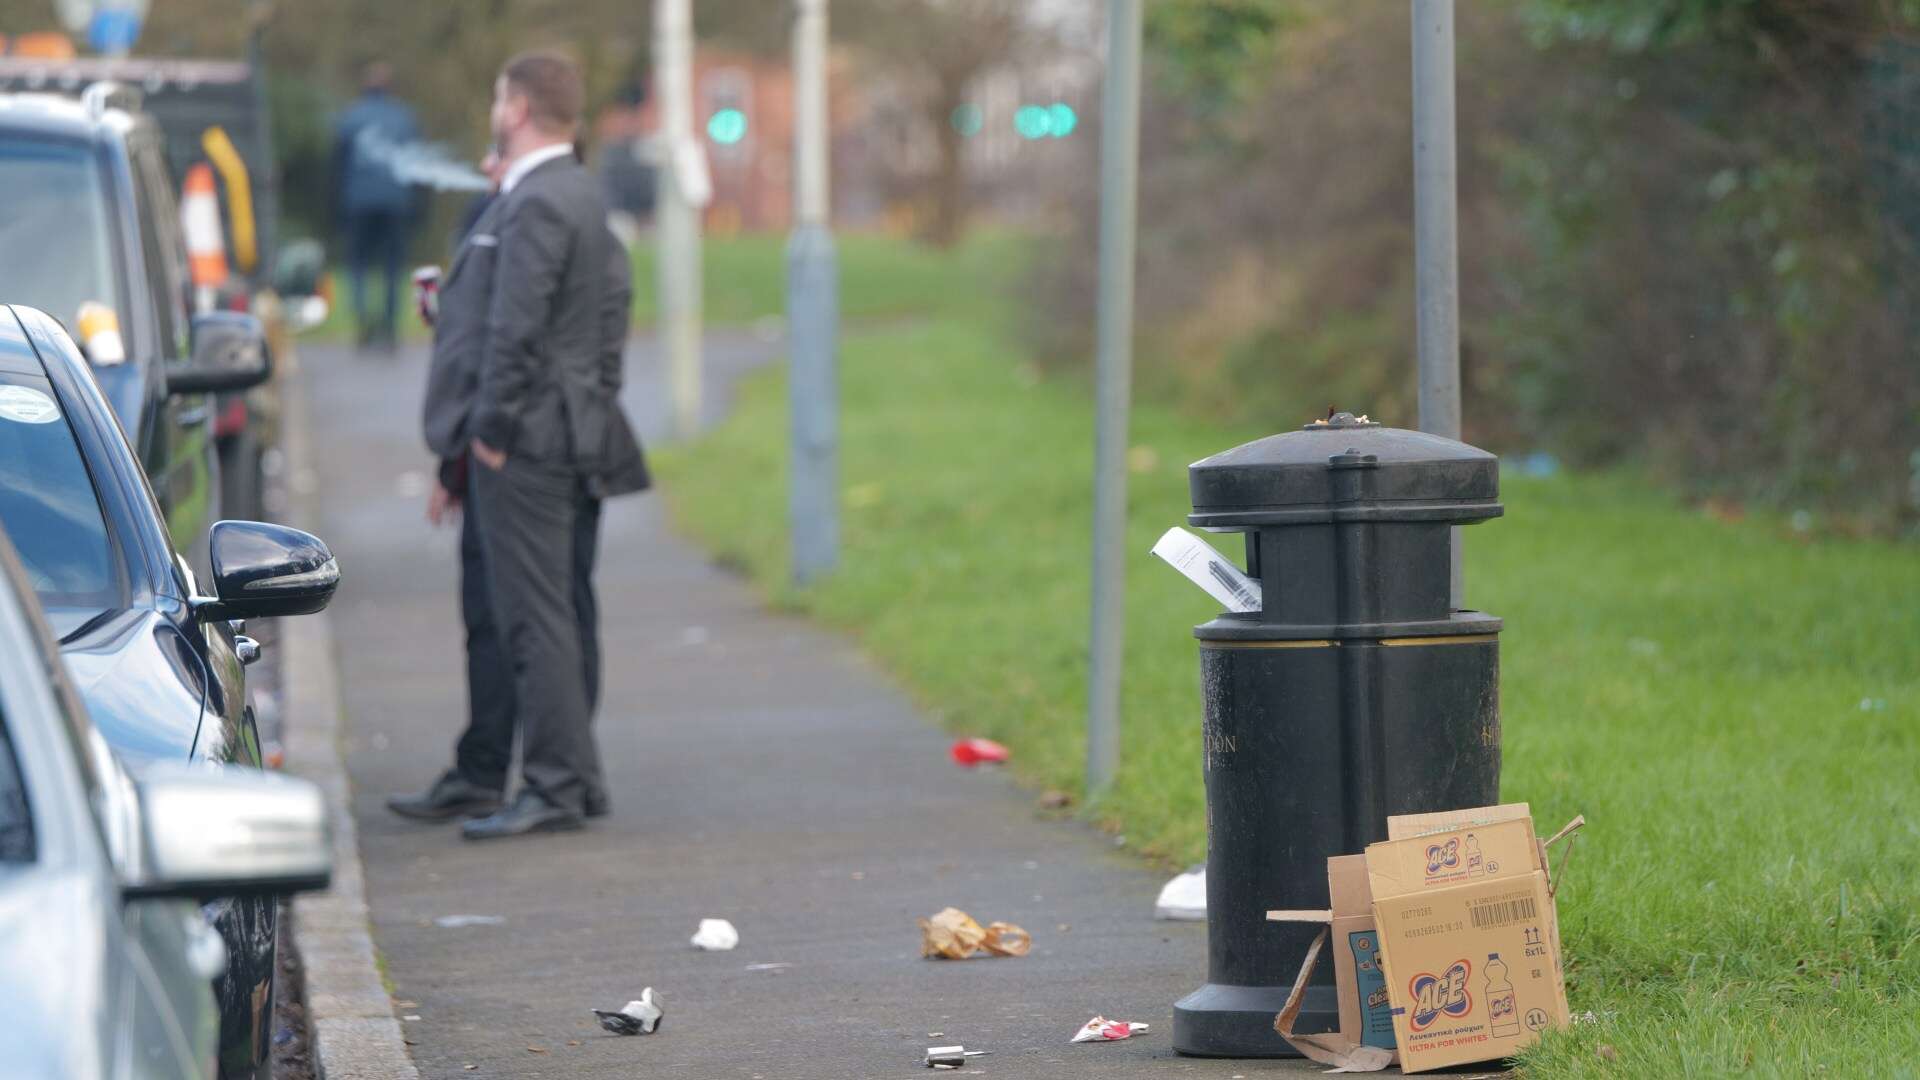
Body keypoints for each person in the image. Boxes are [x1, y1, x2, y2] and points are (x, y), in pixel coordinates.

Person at [389, 51, 648, 841]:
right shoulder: (576, 193)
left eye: (501, 96)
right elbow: (606, 319)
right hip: (567, 432)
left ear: (520, 107)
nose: (495, 109)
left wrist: (492, 433)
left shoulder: (537, 203)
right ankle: (571, 779)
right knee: (559, 610)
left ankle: (556, 786)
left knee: (535, 617)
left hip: (528, 440)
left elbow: (516, 330)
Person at [330, 62, 421, 350]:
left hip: (359, 202)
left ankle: (362, 323)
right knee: (393, 266)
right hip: (395, 202)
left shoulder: (351, 117)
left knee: (358, 263)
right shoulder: (404, 118)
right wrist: (417, 206)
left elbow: (337, 165)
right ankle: (390, 325)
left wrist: (336, 205)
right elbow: (418, 164)